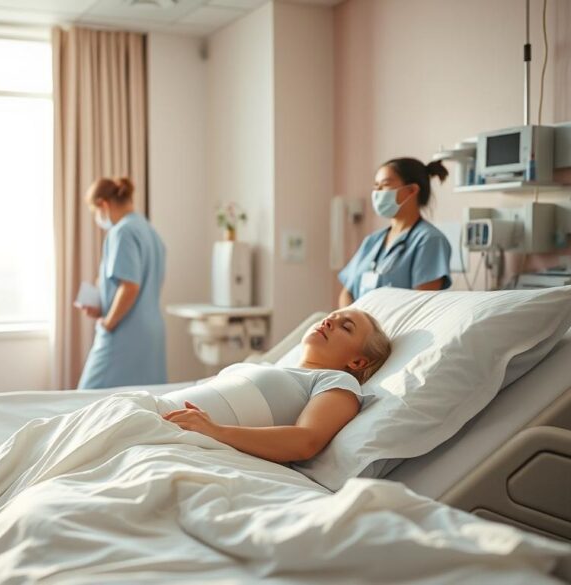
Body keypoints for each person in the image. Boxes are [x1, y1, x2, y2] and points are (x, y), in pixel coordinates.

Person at [160, 308, 390, 463]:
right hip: (159, 414)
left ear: (358, 361)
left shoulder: (336, 380)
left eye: (346, 327)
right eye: (331, 316)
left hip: (177, 437)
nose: (329, 321)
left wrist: (216, 431)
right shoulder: (269, 367)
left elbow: (306, 441)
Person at [77, 177, 167, 389]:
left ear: (103, 204)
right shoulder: (150, 232)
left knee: (85, 397)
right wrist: (101, 306)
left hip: (125, 332)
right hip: (151, 332)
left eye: (95, 212)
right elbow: (144, 286)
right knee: (141, 403)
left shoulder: (122, 232)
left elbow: (130, 286)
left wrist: (108, 322)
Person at [338, 157, 454, 308]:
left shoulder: (429, 240)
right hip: (354, 327)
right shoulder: (372, 240)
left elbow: (420, 305)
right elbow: (346, 292)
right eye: (376, 186)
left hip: (393, 330)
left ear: (412, 190)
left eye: (385, 185)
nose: (377, 192)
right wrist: (348, 321)